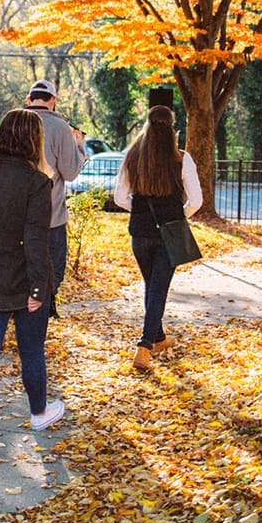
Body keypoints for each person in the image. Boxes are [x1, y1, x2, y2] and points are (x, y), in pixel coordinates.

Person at [0, 108, 65, 448]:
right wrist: (38, 288)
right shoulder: (37, 182)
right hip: (23, 280)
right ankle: (38, 413)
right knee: (31, 349)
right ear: (33, 139)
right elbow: (37, 239)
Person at [113, 105, 203, 371]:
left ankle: (159, 337)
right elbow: (197, 200)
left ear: (147, 126)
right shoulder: (181, 158)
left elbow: (119, 198)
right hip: (168, 233)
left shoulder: (133, 156)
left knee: (153, 286)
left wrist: (139, 210)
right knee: (158, 288)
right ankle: (144, 347)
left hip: (139, 234)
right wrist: (180, 213)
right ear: (172, 128)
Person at [24, 79, 87, 317]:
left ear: (29, 100)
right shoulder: (60, 127)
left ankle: (25, 309)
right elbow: (70, 172)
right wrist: (80, 147)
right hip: (51, 215)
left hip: (16, 213)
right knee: (53, 268)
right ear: (53, 101)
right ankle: (46, 306)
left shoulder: (12, 123)